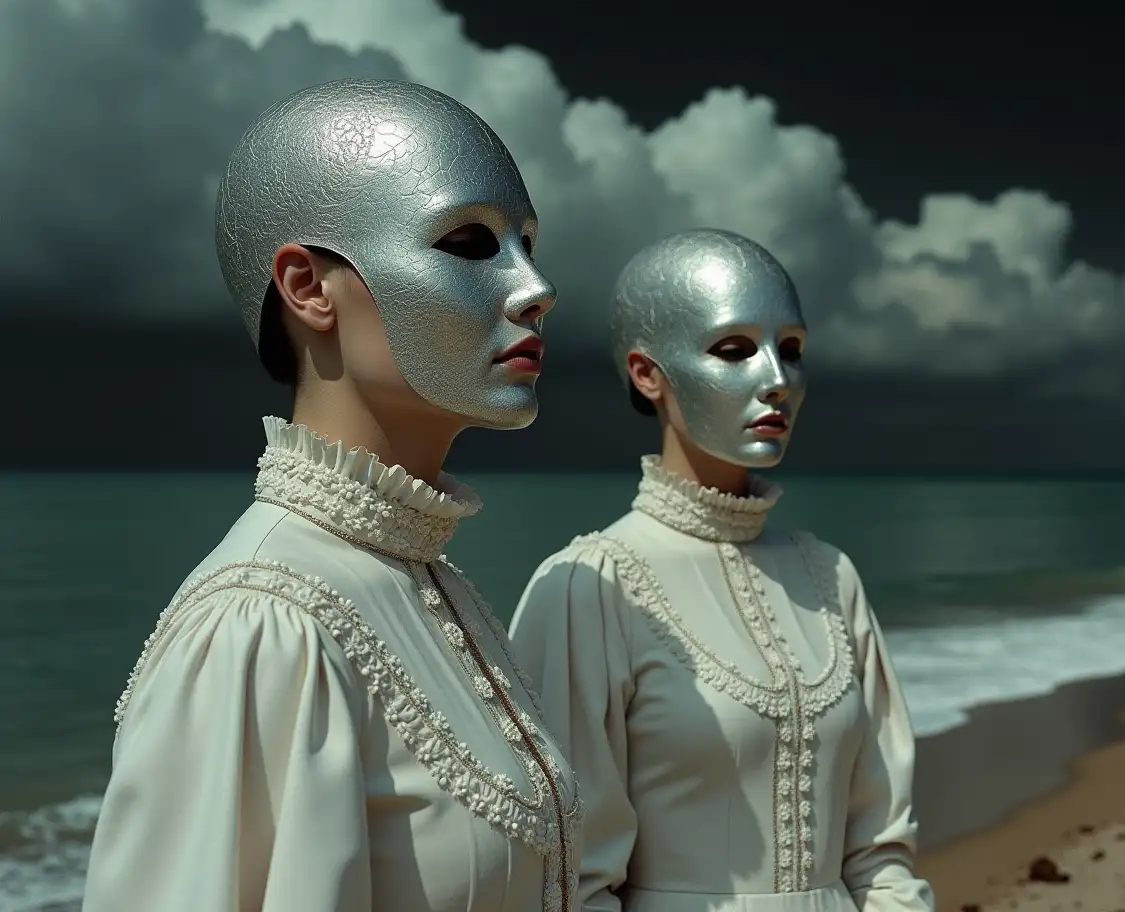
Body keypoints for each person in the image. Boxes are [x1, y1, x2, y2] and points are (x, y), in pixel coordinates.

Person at [82, 79, 582, 912]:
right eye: (469, 242)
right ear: (308, 287)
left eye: (527, 244)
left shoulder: (429, 584)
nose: (536, 287)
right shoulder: (261, 627)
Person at [509, 229, 933, 912]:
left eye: (791, 351)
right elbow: (564, 877)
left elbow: (882, 846)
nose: (777, 380)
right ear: (648, 374)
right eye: (734, 350)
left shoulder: (830, 577)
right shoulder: (587, 586)